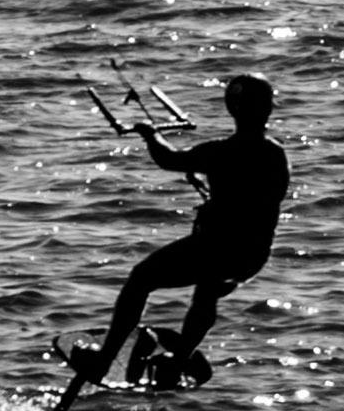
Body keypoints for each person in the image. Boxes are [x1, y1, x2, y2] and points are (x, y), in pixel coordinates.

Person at [74, 72, 285, 393]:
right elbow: (250, 200)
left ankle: (104, 360)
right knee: (208, 291)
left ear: (233, 108)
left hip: (217, 248)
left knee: (140, 279)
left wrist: (149, 135)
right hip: (252, 255)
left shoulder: (221, 151)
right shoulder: (275, 154)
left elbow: (169, 159)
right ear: (268, 109)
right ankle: (178, 358)